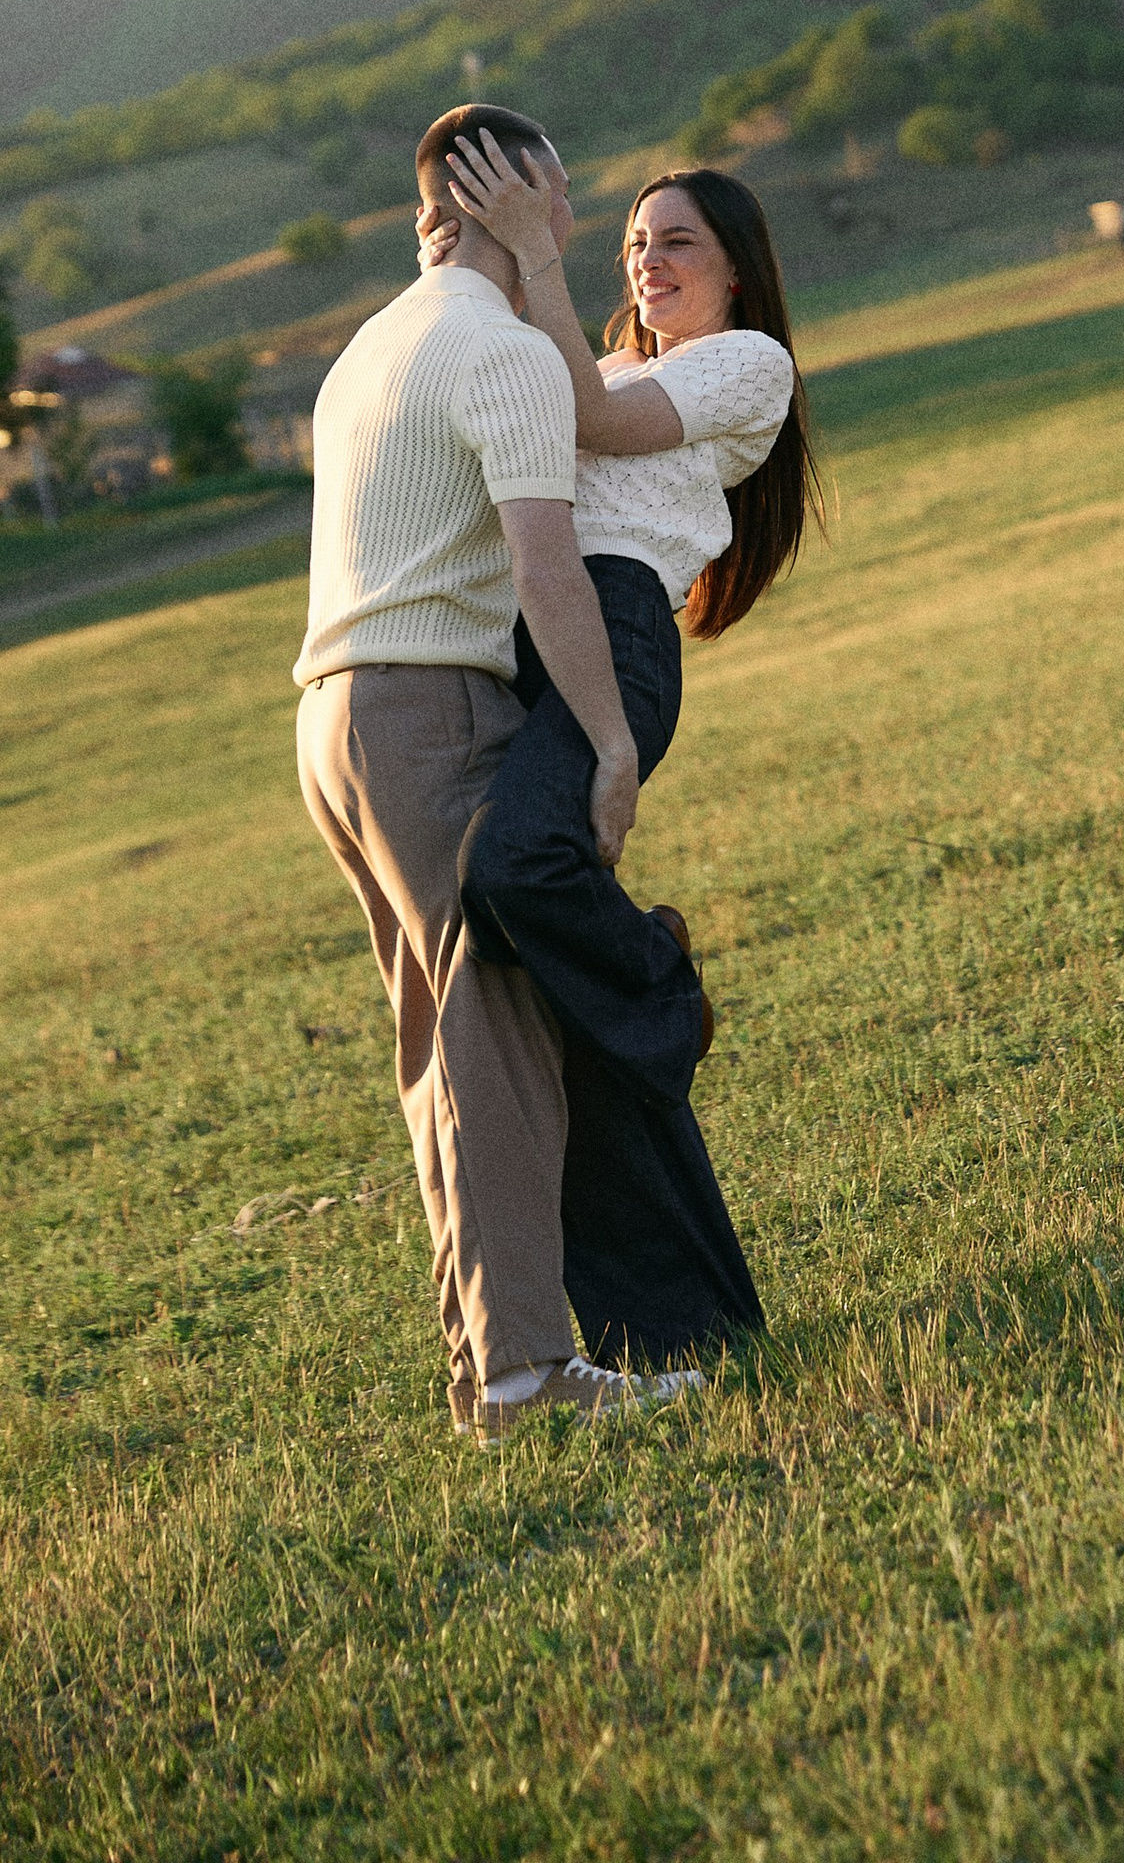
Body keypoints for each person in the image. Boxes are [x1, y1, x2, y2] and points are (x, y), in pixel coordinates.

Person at [293, 99, 698, 1441]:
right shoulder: (503, 353)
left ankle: (496, 1368)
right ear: (508, 196)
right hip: (423, 709)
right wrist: (613, 739)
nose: (576, 219)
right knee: (495, 1038)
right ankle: (525, 1376)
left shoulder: (371, 345)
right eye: (561, 193)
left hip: (332, 721)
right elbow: (546, 567)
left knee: (441, 1039)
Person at [432, 137, 816, 1369]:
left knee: (513, 874)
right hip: (536, 646)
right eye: (635, 243)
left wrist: (536, 255)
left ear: (737, 270)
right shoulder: (596, 352)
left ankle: (659, 976)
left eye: (678, 241)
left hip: (620, 638)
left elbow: (586, 421)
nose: (647, 263)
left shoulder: (745, 365)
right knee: (551, 1008)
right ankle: (677, 1326)